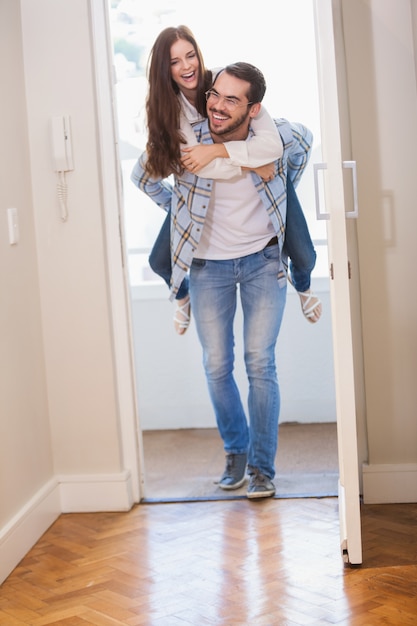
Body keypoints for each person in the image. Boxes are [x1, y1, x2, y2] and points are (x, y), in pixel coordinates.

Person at [131, 61, 313, 498]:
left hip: (263, 263)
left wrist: (275, 182)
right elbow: (142, 176)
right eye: (215, 94)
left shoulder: (276, 138)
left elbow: (304, 144)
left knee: (259, 364)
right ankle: (236, 449)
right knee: (217, 366)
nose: (217, 106)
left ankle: (262, 468)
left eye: (233, 99)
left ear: (254, 110)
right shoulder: (187, 140)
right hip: (206, 267)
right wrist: (181, 210)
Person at [139, 25, 321, 334]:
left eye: (190, 55)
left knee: (303, 253)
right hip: (204, 185)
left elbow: (272, 146)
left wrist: (273, 177)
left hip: (260, 170)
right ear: (164, 69)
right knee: (159, 261)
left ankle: (303, 287)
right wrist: (180, 203)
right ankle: (182, 298)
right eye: (174, 61)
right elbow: (200, 166)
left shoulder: (226, 81)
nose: (186, 66)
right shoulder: (172, 114)